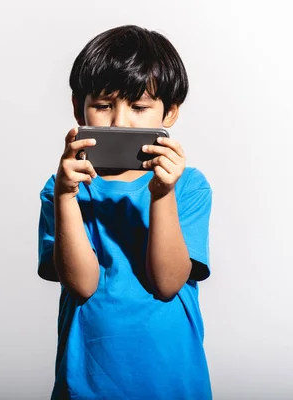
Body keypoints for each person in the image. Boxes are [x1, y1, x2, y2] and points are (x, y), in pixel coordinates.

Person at [37, 25, 213, 399]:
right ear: (77, 107)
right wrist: (67, 196)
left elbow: (167, 284)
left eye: (138, 107)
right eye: (103, 105)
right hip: (87, 383)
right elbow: (82, 285)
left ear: (170, 113)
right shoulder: (61, 188)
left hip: (172, 381)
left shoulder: (189, 186)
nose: (119, 122)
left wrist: (162, 193)